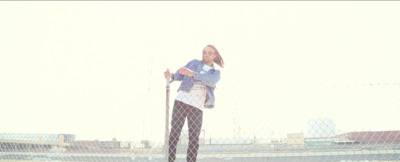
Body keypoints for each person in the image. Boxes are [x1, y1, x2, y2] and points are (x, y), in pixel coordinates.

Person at [164, 44, 224, 162]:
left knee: (194, 138)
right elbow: (180, 74)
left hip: (197, 106)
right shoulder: (193, 63)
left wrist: (193, 74)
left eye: (209, 53)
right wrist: (171, 76)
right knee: (174, 133)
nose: (206, 55)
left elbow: (211, 81)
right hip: (181, 100)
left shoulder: (215, 73)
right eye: (204, 52)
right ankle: (170, 160)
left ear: (215, 55)